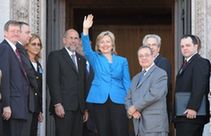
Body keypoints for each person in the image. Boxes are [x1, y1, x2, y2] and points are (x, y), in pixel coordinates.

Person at [82, 14, 131, 136]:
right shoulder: (95, 58)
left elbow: (127, 82)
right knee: (103, 131)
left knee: (120, 130)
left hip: (119, 99)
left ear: (112, 44)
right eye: (102, 42)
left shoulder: (122, 60)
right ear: (98, 46)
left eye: (108, 42)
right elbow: (87, 49)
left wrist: (131, 102)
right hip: (99, 100)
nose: (105, 44)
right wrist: (85, 30)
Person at [47, 29, 88, 136]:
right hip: (63, 107)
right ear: (64, 40)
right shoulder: (55, 56)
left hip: (79, 109)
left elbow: (83, 85)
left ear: (79, 41)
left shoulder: (82, 60)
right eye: (71, 38)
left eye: (76, 38)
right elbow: (53, 81)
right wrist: (57, 104)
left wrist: (85, 109)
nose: (73, 41)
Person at [125, 46, 169, 136]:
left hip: (155, 126)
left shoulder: (160, 74)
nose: (143, 58)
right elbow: (128, 97)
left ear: (153, 56)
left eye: (146, 55)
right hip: (138, 125)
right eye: (140, 56)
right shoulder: (136, 78)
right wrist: (131, 110)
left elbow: (154, 95)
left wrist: (135, 107)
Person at [173, 34, 210, 136]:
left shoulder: (200, 62)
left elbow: (200, 85)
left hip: (191, 115)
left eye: (188, 45)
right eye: (182, 46)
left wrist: (193, 108)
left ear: (196, 46)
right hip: (184, 115)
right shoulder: (187, 63)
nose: (185, 48)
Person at [0, 20, 31, 136]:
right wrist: (6, 105)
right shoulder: (4, 48)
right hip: (12, 107)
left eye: (18, 31)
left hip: (19, 106)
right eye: (12, 31)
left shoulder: (15, 49)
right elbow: (4, 77)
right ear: (5, 33)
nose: (16, 33)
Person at [76, 41, 98, 136]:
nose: (84, 48)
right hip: (79, 111)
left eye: (87, 46)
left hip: (96, 110)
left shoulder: (97, 63)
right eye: (81, 45)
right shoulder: (72, 64)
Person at [25, 34, 43, 136]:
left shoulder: (38, 63)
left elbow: (39, 88)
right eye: (34, 44)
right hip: (26, 106)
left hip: (35, 107)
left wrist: (40, 110)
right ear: (27, 46)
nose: (37, 46)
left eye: (39, 44)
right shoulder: (23, 61)